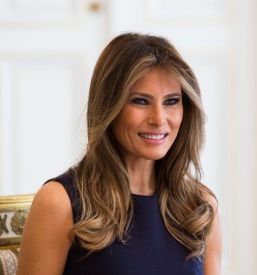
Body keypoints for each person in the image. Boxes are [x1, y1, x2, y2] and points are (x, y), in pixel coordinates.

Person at [17, 32, 222, 275]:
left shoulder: (200, 207)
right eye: (140, 101)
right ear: (109, 106)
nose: (159, 119)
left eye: (171, 101)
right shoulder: (59, 203)